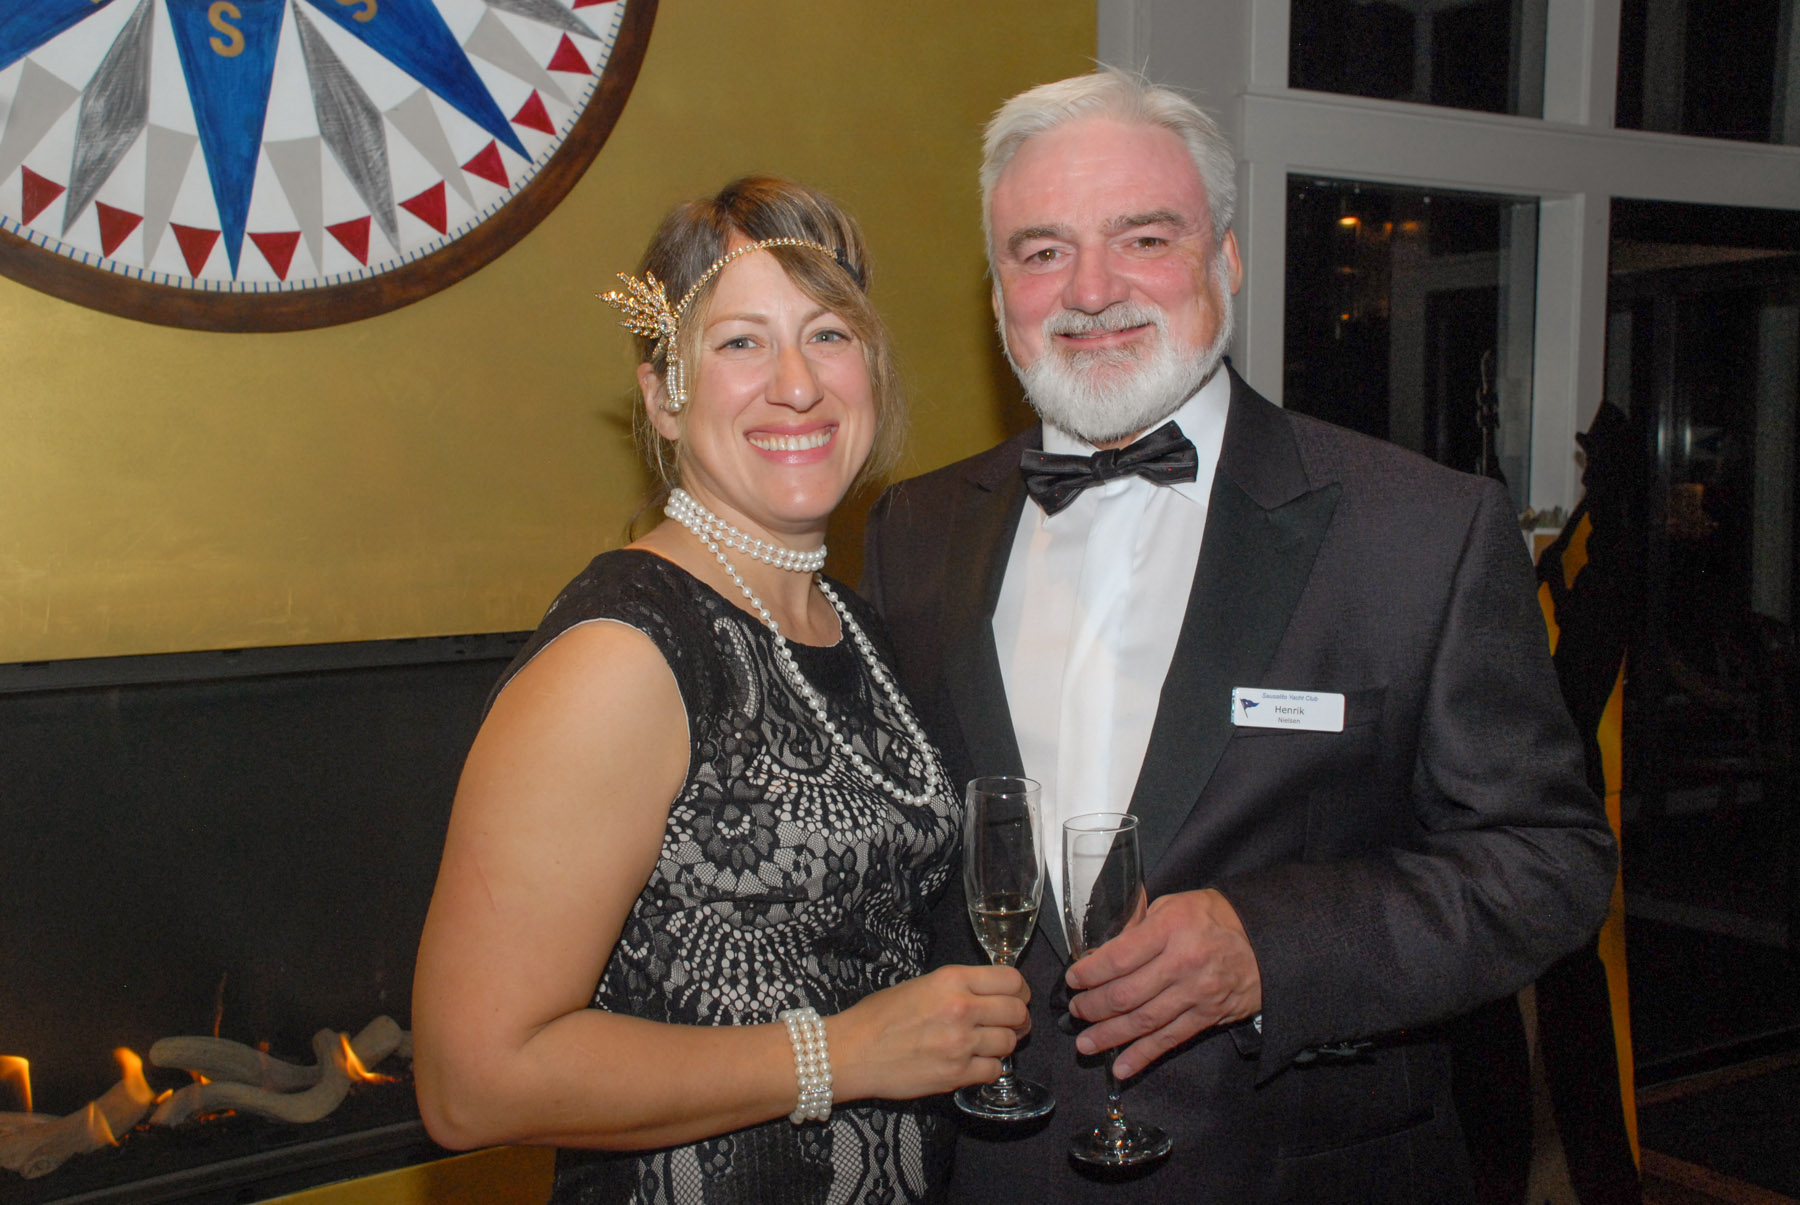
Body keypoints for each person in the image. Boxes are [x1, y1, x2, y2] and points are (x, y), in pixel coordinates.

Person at [861, 68, 1618, 1201]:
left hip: (1296, 1169)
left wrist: (1275, 947)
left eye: (1144, 238)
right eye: (1042, 250)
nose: (1092, 290)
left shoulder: (1420, 529)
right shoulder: (914, 530)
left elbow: (1551, 860)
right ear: (999, 289)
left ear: (1225, 259)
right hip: (989, 1172)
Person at [413, 176, 1030, 1204]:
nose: (797, 384)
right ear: (665, 393)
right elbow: (472, 1081)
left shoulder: (857, 626)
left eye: (828, 334)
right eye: (741, 341)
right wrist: (839, 1053)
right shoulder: (624, 654)